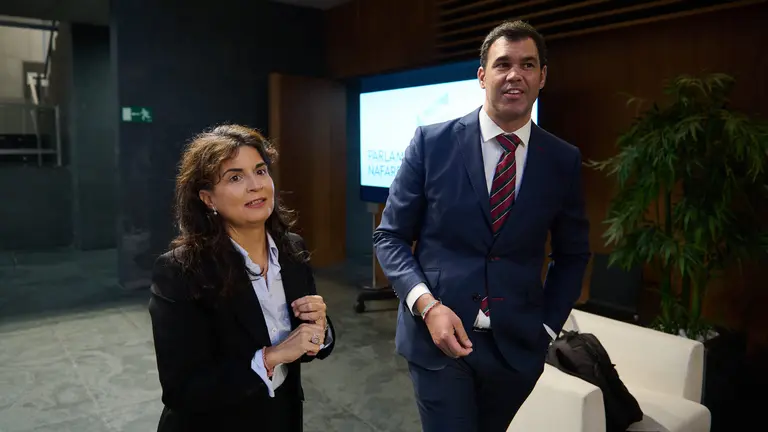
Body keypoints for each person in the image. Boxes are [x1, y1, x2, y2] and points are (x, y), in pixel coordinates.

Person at [373, 20, 591, 431]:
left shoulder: (562, 159)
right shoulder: (431, 143)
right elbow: (390, 237)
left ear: (542, 77)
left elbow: (573, 253)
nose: (515, 74)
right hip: (438, 338)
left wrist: (546, 327)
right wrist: (427, 306)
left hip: (517, 347)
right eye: (502, 64)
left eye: (528, 65)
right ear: (482, 76)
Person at [148, 124, 335, 432]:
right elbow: (182, 389)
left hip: (282, 418)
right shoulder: (180, 271)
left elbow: (309, 342)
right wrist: (271, 358)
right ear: (208, 199)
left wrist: (320, 330)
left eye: (260, 171)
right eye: (235, 177)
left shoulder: (292, 249)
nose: (255, 185)